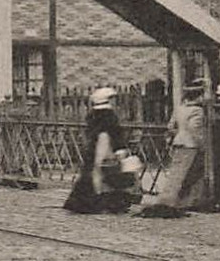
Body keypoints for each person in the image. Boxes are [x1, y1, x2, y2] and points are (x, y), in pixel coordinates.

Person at [139, 79, 207, 217]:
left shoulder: (180, 108)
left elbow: (171, 126)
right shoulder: (197, 111)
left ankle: (181, 200)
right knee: (183, 173)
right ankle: (169, 201)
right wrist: (202, 144)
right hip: (190, 144)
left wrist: (176, 136)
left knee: (178, 171)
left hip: (178, 142)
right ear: (199, 96)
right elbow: (195, 129)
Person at [63, 86, 130, 213]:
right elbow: (109, 134)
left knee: (92, 173)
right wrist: (117, 149)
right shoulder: (108, 116)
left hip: (93, 148)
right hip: (104, 147)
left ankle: (87, 201)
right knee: (103, 173)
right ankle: (102, 202)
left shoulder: (93, 115)